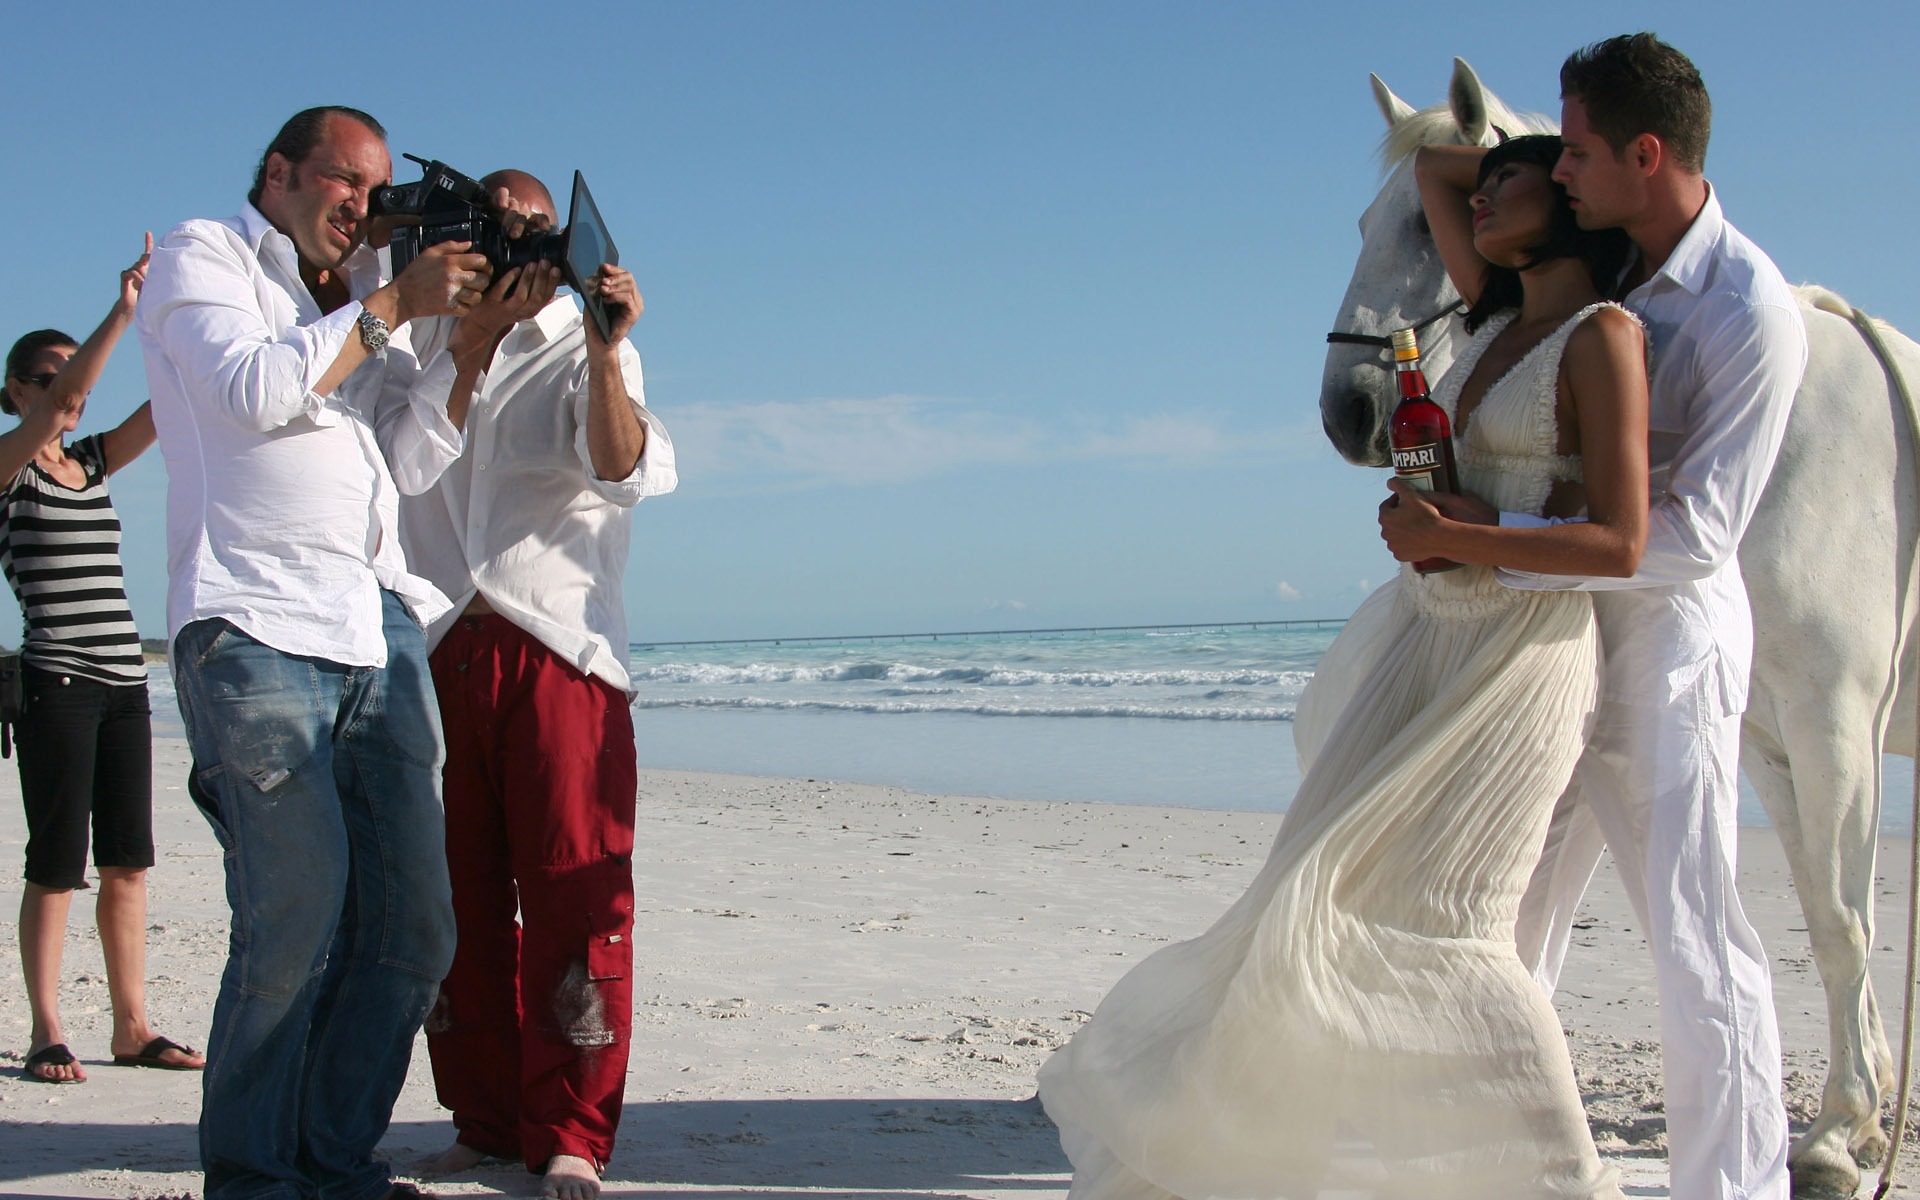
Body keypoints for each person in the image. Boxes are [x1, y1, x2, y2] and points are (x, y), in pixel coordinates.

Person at [1038, 133, 1645, 1199]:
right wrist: (1513, 154)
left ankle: (1560, 1186)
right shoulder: (1494, 318)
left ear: (1568, 207)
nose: (1487, 193)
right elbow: (1429, 174)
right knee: (1308, 892)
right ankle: (1246, 1158)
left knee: (1454, 921)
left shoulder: (1603, 337)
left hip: (1518, 655)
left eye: (1516, 184)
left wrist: (1473, 532)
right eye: (1492, 182)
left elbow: (1620, 544)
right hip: (1427, 628)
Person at [134, 105, 497, 1200]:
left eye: (376, 195)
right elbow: (250, 391)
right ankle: (252, 1178)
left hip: (374, 624)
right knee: (294, 917)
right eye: (346, 184)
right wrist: (393, 303)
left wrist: (466, 349)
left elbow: (410, 458)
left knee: (414, 931)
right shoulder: (204, 255)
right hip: (252, 624)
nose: (362, 210)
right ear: (279, 173)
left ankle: (332, 1163)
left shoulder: (339, 307)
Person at [1485, 35, 1800, 1200]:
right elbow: (1459, 186)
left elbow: (1699, 536)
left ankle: (1735, 1188)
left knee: (1694, 940)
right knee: (1510, 916)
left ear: (1646, 152)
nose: (1556, 171)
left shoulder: (1748, 309)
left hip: (1669, 657)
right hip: (1559, 651)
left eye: (1575, 150)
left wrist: (1494, 554)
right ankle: (1510, 1167)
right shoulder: (1602, 266)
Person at [385, 169, 676, 1200]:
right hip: (438, 645)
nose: (513, 251)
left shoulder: (587, 340)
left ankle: (571, 1131)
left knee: (573, 900)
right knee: (451, 905)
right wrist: (451, 330)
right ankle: (484, 1116)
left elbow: (621, 467)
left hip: (561, 646)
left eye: (533, 233)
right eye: (495, 229)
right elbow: (386, 471)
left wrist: (603, 344)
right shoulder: (418, 340)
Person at [5, 238, 206, 1084]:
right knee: (57, 864)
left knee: (129, 861)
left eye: (71, 370)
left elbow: (163, 412)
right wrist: (121, 311)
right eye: (49, 374)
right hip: (55, 683)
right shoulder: (11, 468)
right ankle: (47, 1029)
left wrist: (170, 321)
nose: (69, 388)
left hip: (126, 681)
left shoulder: (89, 464)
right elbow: (63, 406)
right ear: (17, 390)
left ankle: (132, 1027)